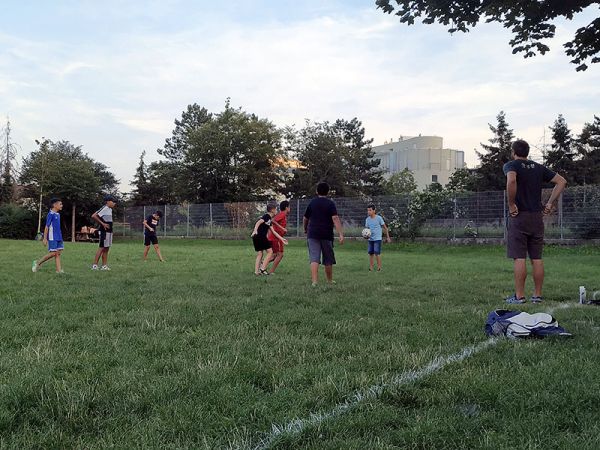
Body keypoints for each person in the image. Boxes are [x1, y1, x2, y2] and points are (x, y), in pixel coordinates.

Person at [503, 139, 567, 304]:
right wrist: (550, 203)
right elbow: (561, 181)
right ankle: (537, 296)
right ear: (528, 152)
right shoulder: (538, 167)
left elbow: (511, 181)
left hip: (520, 216)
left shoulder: (511, 165)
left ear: (513, 152)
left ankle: (519, 296)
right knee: (536, 258)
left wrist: (511, 204)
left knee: (519, 257)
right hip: (537, 217)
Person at [303, 182, 344, 286]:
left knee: (314, 257)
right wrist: (340, 234)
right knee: (328, 258)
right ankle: (329, 280)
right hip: (326, 234)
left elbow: (305, 218)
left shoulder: (312, 202)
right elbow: (335, 218)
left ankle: (314, 282)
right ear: (328, 192)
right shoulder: (330, 203)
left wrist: (305, 228)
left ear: (317, 191)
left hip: (313, 233)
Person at [251, 204, 288, 275]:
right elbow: (258, 222)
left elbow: (273, 232)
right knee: (270, 252)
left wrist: (282, 239)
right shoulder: (266, 216)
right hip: (260, 236)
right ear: (272, 210)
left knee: (260, 254)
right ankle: (262, 269)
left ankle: (256, 272)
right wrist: (255, 230)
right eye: (276, 209)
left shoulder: (269, 220)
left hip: (256, 237)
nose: (277, 211)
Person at [32, 198, 64, 274]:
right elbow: (47, 227)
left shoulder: (58, 214)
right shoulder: (50, 214)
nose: (62, 205)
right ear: (54, 205)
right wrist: (45, 238)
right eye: (60, 204)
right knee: (53, 253)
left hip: (59, 236)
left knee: (58, 253)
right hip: (52, 237)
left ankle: (59, 271)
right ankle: (37, 263)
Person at [91, 195, 117, 271]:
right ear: (108, 202)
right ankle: (95, 265)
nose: (114, 203)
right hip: (104, 232)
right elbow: (94, 216)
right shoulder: (104, 208)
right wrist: (103, 224)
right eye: (113, 202)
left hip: (109, 231)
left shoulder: (110, 209)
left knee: (107, 248)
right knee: (101, 247)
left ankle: (104, 266)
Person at [265, 200, 291, 274]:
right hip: (275, 238)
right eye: (289, 207)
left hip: (277, 238)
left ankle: (262, 265)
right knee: (280, 255)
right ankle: (270, 271)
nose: (290, 209)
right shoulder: (282, 214)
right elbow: (273, 220)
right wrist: (282, 228)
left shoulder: (283, 215)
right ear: (286, 208)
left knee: (274, 256)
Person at [365, 204, 392, 271]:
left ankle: (379, 267)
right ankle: (371, 267)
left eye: (370, 210)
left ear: (374, 211)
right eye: (368, 210)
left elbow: (385, 228)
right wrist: (366, 235)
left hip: (377, 239)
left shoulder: (379, 218)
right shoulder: (367, 219)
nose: (368, 212)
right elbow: (366, 230)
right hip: (370, 239)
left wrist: (388, 237)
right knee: (371, 253)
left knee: (377, 252)